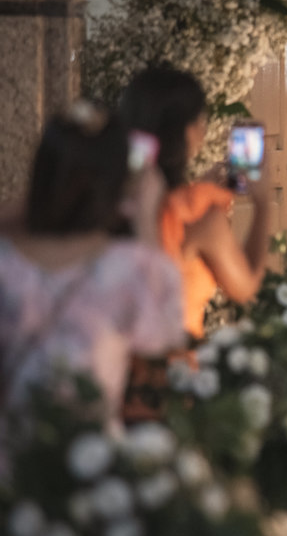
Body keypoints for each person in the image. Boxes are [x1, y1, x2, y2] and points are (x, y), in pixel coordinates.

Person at [0, 102, 184, 427]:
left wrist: (53, 190)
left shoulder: (7, 261)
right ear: (120, 182)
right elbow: (166, 352)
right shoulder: (134, 269)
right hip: (92, 463)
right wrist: (144, 218)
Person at [118, 65, 271, 419]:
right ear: (189, 133)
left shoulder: (106, 201)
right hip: (169, 383)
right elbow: (245, 288)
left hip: (104, 374)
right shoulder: (198, 216)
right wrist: (262, 205)